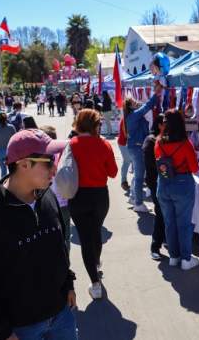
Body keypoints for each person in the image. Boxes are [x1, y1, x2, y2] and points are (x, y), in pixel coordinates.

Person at [0, 129, 77, 340]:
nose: (55, 168)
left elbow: (59, 250)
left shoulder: (48, 197)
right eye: (49, 161)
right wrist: (1, 331)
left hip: (62, 314)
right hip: (21, 327)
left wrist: (68, 284)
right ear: (24, 164)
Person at [68, 109, 118, 299]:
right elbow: (113, 172)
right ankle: (95, 263)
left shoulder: (72, 144)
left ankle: (95, 282)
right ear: (96, 124)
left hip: (78, 196)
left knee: (85, 238)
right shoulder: (104, 144)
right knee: (96, 231)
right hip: (99, 196)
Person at [155, 109, 199, 270]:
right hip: (182, 184)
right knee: (184, 224)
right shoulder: (185, 143)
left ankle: (174, 256)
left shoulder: (159, 141)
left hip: (163, 184)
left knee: (169, 222)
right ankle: (186, 259)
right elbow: (195, 168)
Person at [124, 87, 161, 213]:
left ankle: (135, 199)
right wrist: (156, 94)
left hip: (136, 147)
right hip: (137, 147)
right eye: (134, 102)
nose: (137, 103)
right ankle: (138, 203)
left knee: (138, 176)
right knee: (139, 177)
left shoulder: (131, 116)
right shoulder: (133, 116)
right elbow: (146, 107)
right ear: (130, 106)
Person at [41, 125, 71, 256]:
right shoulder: (64, 154)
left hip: (46, 203)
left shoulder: (39, 157)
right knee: (65, 236)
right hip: (64, 201)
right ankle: (66, 264)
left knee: (48, 237)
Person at [143, 113, 166, 260]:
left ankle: (162, 240)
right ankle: (155, 246)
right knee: (161, 213)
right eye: (166, 123)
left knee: (164, 213)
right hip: (156, 182)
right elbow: (154, 165)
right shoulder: (151, 141)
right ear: (159, 125)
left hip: (160, 181)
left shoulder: (158, 139)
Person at [117, 116, 132, 194]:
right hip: (123, 143)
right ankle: (123, 182)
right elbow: (126, 134)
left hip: (125, 143)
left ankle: (125, 181)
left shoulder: (127, 117)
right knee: (127, 161)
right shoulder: (126, 118)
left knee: (129, 161)